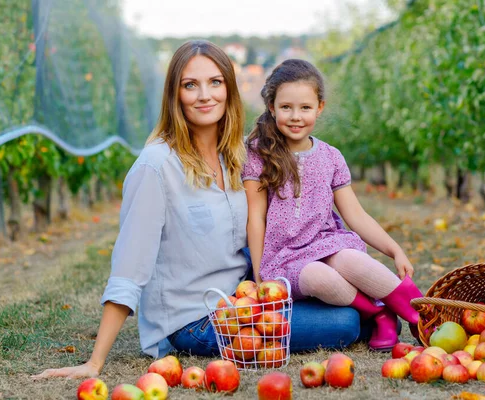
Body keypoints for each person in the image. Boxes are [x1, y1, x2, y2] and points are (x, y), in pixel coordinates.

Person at [31, 41, 366, 380]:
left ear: (228, 89)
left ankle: (382, 306)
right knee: (345, 321)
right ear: (175, 95)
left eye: (215, 82)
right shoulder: (157, 166)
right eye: (190, 85)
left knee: (338, 294)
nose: (205, 94)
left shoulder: (238, 156)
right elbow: (129, 268)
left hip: (242, 296)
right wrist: (94, 363)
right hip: (197, 319)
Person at [243, 59, 424, 352]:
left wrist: (394, 250)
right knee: (318, 277)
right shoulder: (259, 154)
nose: (296, 116)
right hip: (285, 256)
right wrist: (259, 270)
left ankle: (420, 317)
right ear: (272, 107)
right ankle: (378, 313)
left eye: (305, 108)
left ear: (319, 108)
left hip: (326, 242)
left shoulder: (330, 157)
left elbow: (355, 215)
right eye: (286, 107)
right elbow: (256, 217)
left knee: (352, 260)